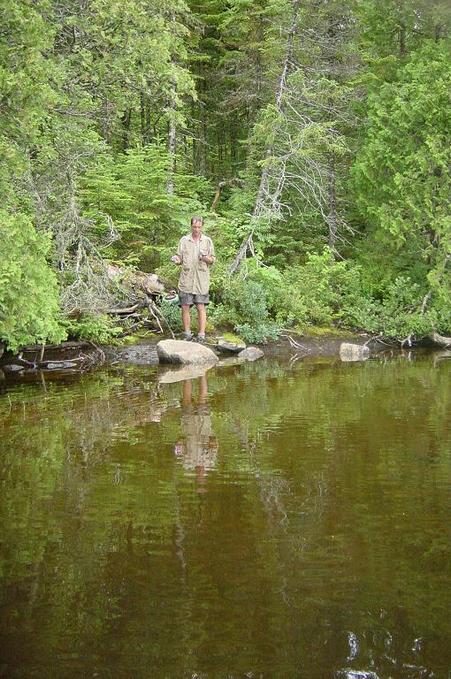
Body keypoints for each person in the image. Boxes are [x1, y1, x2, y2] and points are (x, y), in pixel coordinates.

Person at [171, 216, 215, 343]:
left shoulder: (207, 241)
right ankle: (187, 334)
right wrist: (176, 260)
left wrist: (205, 258)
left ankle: (201, 335)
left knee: (200, 306)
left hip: (201, 280)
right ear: (191, 226)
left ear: (202, 227)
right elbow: (179, 258)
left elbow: (212, 260)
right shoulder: (184, 240)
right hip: (186, 280)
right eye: (194, 227)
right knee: (185, 306)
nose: (196, 229)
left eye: (199, 227)